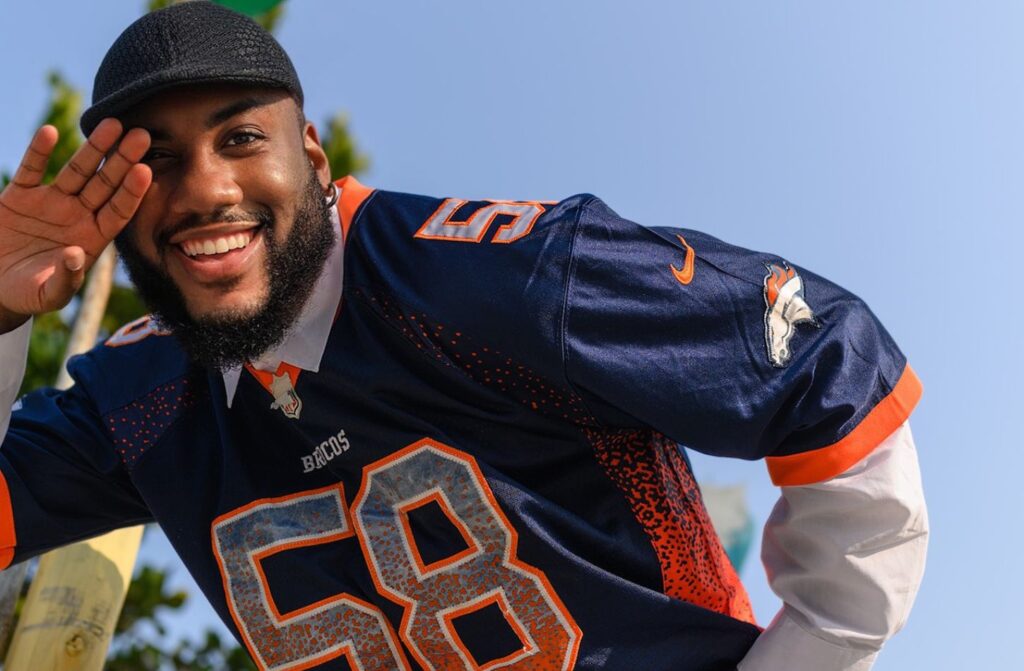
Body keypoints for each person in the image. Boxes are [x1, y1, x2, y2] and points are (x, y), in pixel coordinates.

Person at [0, 3, 927, 670]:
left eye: (239, 137)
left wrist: (811, 648)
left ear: (313, 157)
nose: (202, 189)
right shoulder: (143, 397)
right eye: (152, 159)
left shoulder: (488, 276)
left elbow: (821, 351)